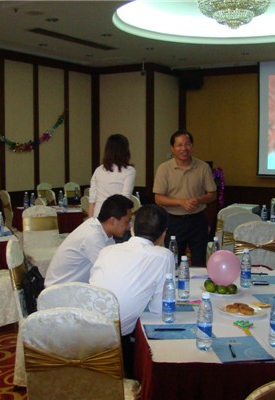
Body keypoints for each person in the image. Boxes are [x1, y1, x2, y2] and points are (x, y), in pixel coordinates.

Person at [89, 204, 174, 377]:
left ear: (133, 227)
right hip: (115, 338)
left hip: (85, 324)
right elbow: (160, 308)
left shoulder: (107, 250)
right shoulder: (164, 255)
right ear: (164, 233)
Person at [153, 130, 217, 267]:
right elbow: (158, 198)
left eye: (187, 144)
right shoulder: (164, 169)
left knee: (200, 263)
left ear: (192, 146)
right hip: (173, 221)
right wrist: (180, 202)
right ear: (172, 148)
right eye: (179, 145)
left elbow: (212, 194)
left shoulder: (203, 167)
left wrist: (198, 200)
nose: (184, 148)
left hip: (198, 221)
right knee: (173, 262)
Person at [44, 194, 134, 287]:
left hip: (73, 288)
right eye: (127, 222)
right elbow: (109, 272)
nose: (129, 226)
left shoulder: (103, 231)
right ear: (112, 221)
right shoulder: (93, 236)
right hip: (59, 291)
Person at [88, 133, 136, 218]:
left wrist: (91, 221)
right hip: (117, 218)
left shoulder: (98, 170)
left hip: (98, 217)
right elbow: (125, 199)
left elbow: (92, 202)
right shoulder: (129, 171)